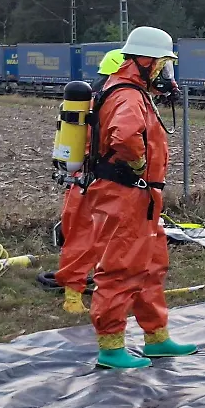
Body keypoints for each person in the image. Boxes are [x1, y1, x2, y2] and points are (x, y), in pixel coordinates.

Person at [84, 26, 195, 370]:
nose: (166, 72)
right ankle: (111, 347)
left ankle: (157, 338)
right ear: (146, 60)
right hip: (125, 195)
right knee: (120, 268)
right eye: (163, 64)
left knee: (150, 266)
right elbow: (126, 134)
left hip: (141, 198)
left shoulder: (133, 92)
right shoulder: (128, 96)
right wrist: (138, 163)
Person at [38, 49, 127, 313]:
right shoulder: (103, 104)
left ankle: (95, 288)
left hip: (88, 180)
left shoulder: (94, 100)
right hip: (92, 182)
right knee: (84, 239)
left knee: (95, 238)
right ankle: (73, 296)